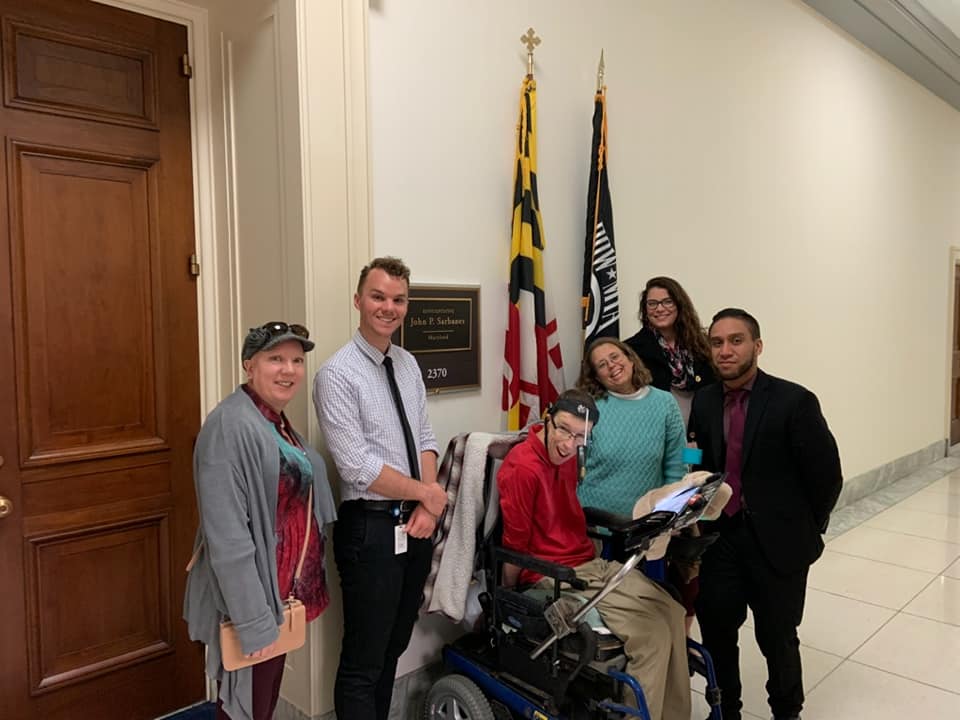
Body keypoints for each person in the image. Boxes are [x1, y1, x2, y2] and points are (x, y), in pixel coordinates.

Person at [497, 389, 691, 720]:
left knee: (673, 611)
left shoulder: (569, 457)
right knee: (650, 636)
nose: (569, 445)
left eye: (580, 437)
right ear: (548, 418)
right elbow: (514, 544)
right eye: (563, 429)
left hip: (588, 563)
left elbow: (568, 512)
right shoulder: (523, 469)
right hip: (552, 574)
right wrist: (507, 599)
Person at [688, 308, 842, 720]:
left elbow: (827, 477)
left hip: (779, 544)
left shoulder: (794, 401)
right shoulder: (703, 402)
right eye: (717, 342)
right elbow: (702, 465)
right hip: (721, 540)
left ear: (757, 346)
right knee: (717, 633)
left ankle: (787, 712)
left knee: (778, 638)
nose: (725, 350)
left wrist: (807, 529)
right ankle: (725, 710)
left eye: (736, 340)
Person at [314, 257, 448, 720]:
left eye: (398, 299)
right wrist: (426, 493)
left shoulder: (408, 364)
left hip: (414, 521)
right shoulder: (336, 374)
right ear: (358, 301)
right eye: (378, 296)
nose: (388, 307)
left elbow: (426, 438)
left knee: (394, 643)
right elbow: (356, 466)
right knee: (364, 659)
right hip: (369, 528)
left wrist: (428, 502)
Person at [183, 322, 337, 720]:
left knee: (260, 703)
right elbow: (228, 537)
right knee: (243, 705)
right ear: (249, 365)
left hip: (280, 595)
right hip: (251, 602)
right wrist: (252, 621)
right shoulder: (229, 427)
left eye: (297, 360)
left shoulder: (272, 420)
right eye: (275, 359)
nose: (289, 370)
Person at [576, 337, 686, 516]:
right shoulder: (588, 407)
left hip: (647, 522)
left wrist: (671, 509)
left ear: (630, 359)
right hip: (594, 522)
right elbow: (571, 467)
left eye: (615, 357)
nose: (612, 365)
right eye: (602, 364)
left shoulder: (665, 402)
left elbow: (677, 463)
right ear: (596, 376)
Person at [624, 276, 715, 424]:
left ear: (680, 305)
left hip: (702, 433)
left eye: (667, 302)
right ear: (645, 309)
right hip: (657, 436)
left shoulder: (703, 344)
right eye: (652, 304)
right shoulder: (631, 350)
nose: (659, 309)